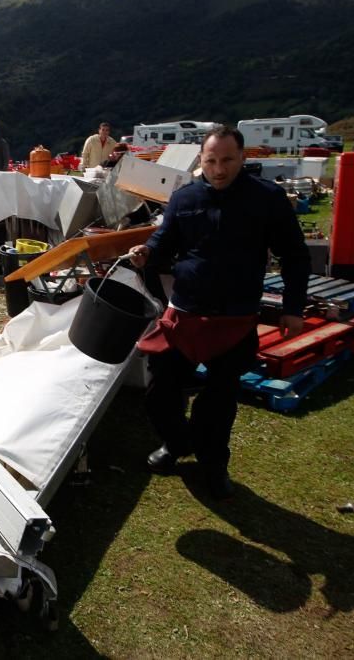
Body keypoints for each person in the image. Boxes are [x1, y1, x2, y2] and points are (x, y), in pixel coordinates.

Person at [128, 125, 310, 500]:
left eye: (227, 160)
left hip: (234, 318)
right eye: (211, 161)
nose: (219, 168)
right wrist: (147, 250)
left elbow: (295, 255)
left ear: (243, 158)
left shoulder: (267, 199)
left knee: (218, 402)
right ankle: (177, 443)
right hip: (184, 313)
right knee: (159, 391)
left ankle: (214, 467)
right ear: (202, 161)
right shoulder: (185, 197)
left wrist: (293, 308)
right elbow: (165, 241)